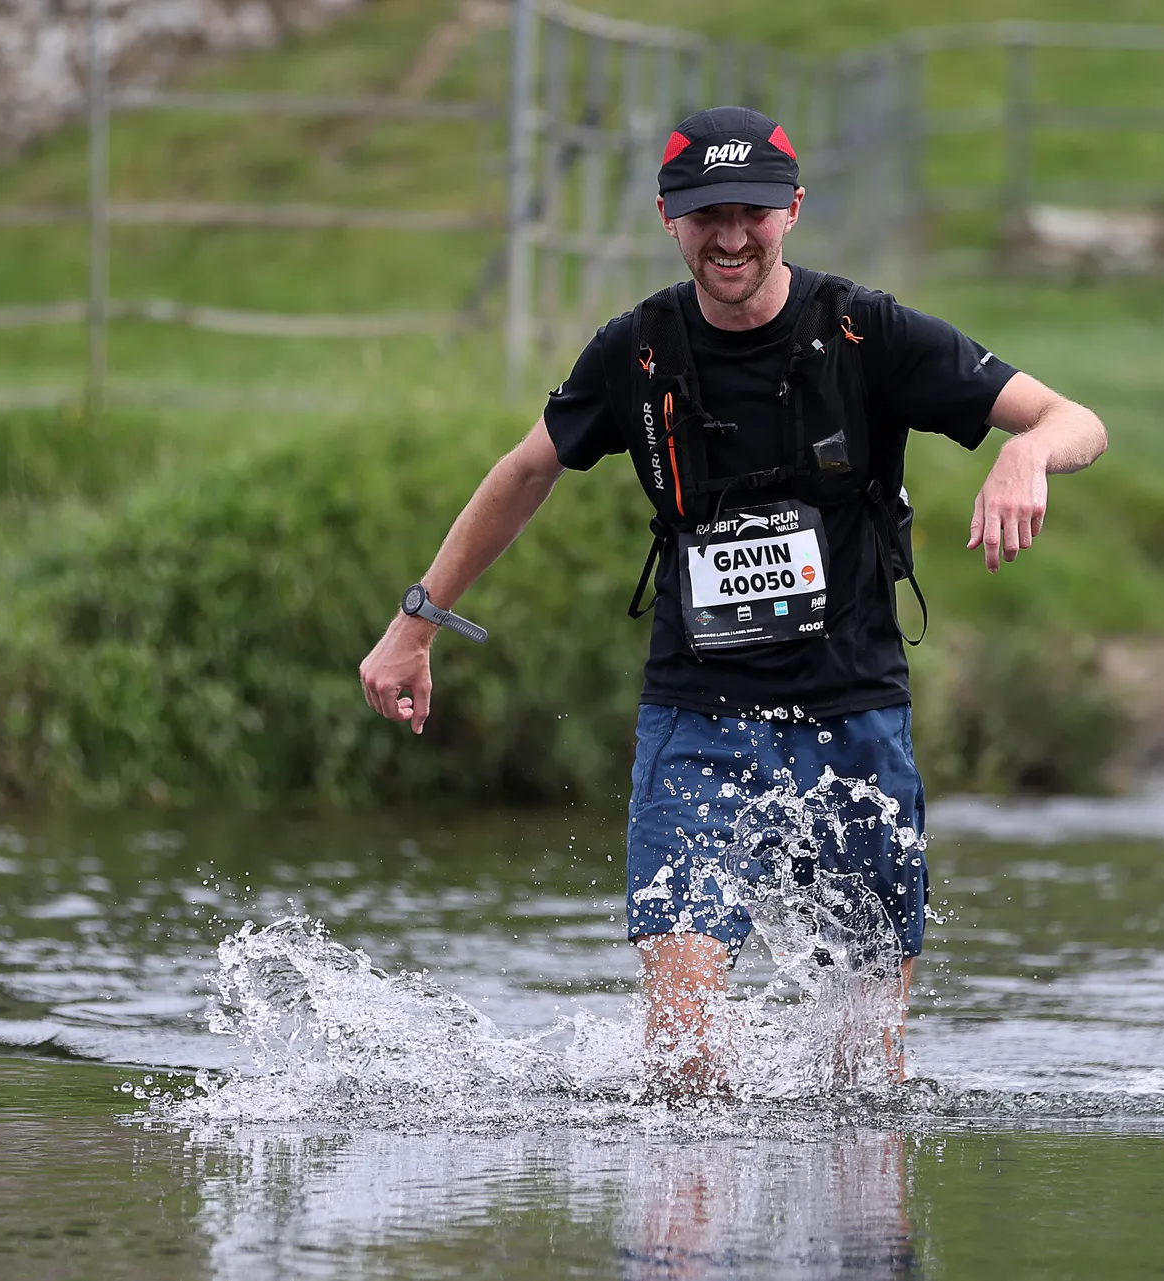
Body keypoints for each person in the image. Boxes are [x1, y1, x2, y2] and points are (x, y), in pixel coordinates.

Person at [358, 105, 1107, 1087]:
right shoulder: (636, 352)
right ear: (668, 218)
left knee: (861, 1074)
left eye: (751, 211)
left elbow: (1074, 419)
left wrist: (1027, 455)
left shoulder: (866, 331)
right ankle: (686, 1195)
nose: (730, 236)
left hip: (853, 722)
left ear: (791, 210)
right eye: (706, 214)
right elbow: (526, 470)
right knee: (684, 1066)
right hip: (698, 720)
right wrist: (415, 623)